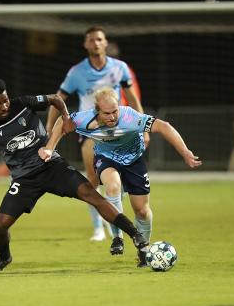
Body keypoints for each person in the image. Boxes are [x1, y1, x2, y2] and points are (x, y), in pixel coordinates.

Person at [0, 78, 150, 272]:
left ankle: (134, 235)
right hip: (25, 180)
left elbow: (54, 98)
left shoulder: (23, 104)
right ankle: (4, 257)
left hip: (52, 166)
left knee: (92, 194)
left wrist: (65, 116)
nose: (4, 105)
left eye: (5, 99)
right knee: (1, 225)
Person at [40, 87, 202, 265]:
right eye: (107, 113)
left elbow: (164, 127)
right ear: (97, 111)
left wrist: (185, 152)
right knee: (112, 186)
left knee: (142, 210)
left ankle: (143, 249)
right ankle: (118, 238)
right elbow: (62, 123)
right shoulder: (85, 119)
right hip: (106, 159)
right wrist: (49, 148)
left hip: (134, 161)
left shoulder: (130, 118)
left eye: (115, 111)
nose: (112, 116)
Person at [46, 26, 146, 242]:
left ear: (105, 42)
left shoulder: (120, 68)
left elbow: (132, 96)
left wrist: (143, 125)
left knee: (117, 181)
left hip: (119, 130)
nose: (96, 43)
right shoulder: (77, 72)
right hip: (91, 131)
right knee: (92, 179)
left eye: (99, 39)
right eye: (91, 40)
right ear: (85, 44)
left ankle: (115, 218)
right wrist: (49, 126)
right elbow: (57, 98)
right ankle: (99, 228)